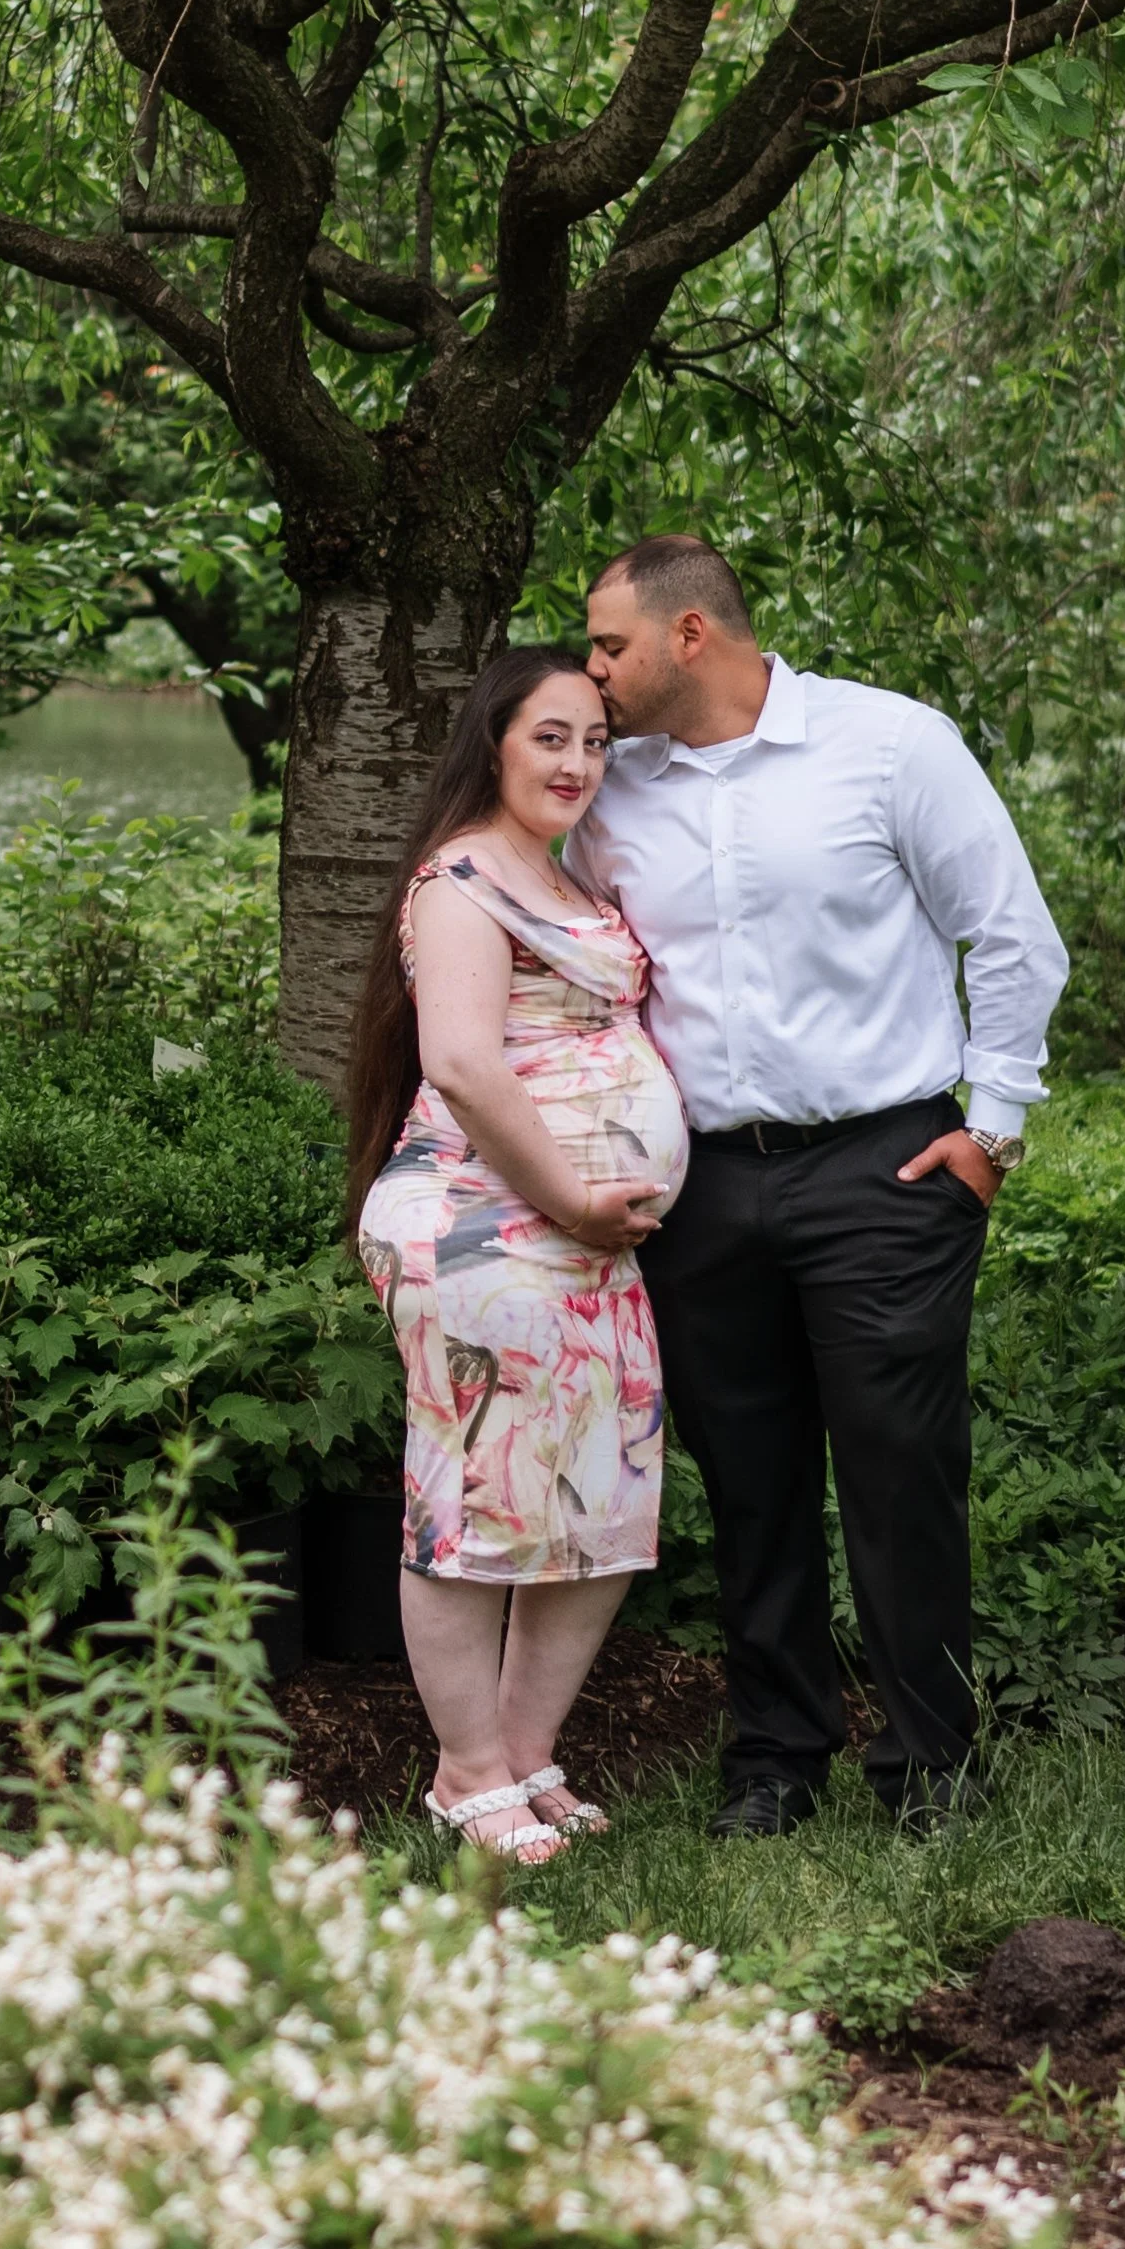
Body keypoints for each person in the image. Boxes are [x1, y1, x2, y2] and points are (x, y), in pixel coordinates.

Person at [564, 535, 1070, 1837]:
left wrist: (991, 1130)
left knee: (902, 1473)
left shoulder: (886, 745)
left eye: (607, 643)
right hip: (700, 1189)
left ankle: (930, 1772)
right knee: (749, 1474)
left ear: (690, 636)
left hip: (883, 1168)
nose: (590, 670)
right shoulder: (608, 792)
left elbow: (1009, 933)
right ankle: (774, 1761)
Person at [345, 644, 688, 1862]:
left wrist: (601, 1211)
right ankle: (465, 1770)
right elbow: (463, 1064)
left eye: (596, 740)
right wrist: (574, 1200)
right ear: (493, 738)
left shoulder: (569, 886)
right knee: (477, 1486)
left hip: (586, 1241)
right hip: (483, 1223)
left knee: (600, 1484)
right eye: (552, 736)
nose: (580, 762)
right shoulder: (459, 883)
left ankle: (528, 1749)